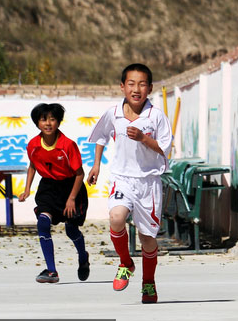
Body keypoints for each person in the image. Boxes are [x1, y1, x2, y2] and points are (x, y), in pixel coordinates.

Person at [87, 63, 173, 304]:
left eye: (142, 84)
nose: (137, 89)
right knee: (116, 218)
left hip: (148, 183)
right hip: (122, 178)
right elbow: (101, 137)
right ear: (122, 86)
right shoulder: (113, 112)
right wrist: (96, 165)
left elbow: (165, 149)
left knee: (147, 239)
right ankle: (125, 262)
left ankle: (148, 283)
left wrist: (145, 138)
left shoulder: (156, 116)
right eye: (132, 84)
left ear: (150, 88)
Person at [18, 103, 90, 284]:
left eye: (52, 119)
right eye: (44, 119)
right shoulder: (33, 145)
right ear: (37, 123)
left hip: (71, 187)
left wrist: (72, 199)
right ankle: (51, 271)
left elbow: (79, 174)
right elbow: (33, 166)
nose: (48, 123)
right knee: (43, 222)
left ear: (58, 122)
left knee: (71, 230)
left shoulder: (68, 145)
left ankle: (83, 256)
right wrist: (27, 189)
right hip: (49, 188)